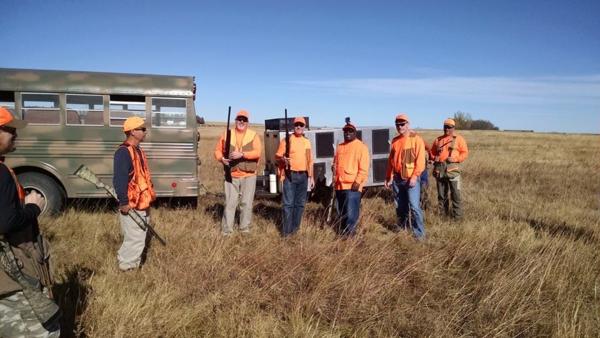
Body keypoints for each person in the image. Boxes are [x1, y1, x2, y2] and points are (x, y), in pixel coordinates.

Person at [0, 107, 61, 337]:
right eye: (9, 129)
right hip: (10, 273)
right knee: (43, 330)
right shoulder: (2, 172)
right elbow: (5, 222)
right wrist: (33, 207)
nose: (15, 134)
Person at [113, 116, 156, 271]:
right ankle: (127, 269)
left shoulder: (138, 151)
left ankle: (127, 263)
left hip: (142, 203)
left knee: (138, 236)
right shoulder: (123, 153)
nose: (145, 131)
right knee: (135, 238)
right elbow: (119, 180)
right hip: (131, 204)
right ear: (132, 131)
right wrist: (124, 202)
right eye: (142, 129)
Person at [214, 110, 262, 235]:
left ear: (247, 122)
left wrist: (242, 154)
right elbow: (217, 151)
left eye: (244, 119)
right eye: (239, 119)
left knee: (246, 204)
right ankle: (227, 231)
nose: (241, 121)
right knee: (230, 203)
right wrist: (221, 158)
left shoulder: (253, 135)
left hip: (249, 175)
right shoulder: (227, 134)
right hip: (231, 174)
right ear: (235, 121)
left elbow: (258, 152)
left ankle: (244, 229)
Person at [384, 113, 426, 239]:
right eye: (397, 124)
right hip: (397, 179)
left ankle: (419, 234)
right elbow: (391, 161)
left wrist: (414, 177)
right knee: (400, 207)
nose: (400, 126)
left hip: (410, 180)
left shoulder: (416, 139)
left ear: (408, 124)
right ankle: (403, 228)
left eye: (402, 124)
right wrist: (388, 176)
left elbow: (420, 162)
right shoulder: (395, 141)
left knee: (414, 207)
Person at [275, 117, 315, 236]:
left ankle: (295, 230)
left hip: (303, 176)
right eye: (297, 125)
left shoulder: (306, 141)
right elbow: (277, 156)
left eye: (301, 125)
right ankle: (287, 232)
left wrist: (311, 177)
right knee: (288, 204)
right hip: (290, 175)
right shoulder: (287, 140)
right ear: (293, 126)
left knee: (300, 204)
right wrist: (283, 159)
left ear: (304, 127)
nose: (299, 127)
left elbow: (309, 160)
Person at [332, 121, 369, 237]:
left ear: (355, 132)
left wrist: (357, 182)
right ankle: (343, 235)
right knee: (341, 213)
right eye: (345, 131)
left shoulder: (361, 147)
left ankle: (351, 237)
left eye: (350, 131)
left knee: (351, 215)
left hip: (352, 186)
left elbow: (364, 168)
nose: (347, 133)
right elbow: (335, 164)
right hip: (339, 185)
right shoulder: (340, 147)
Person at [430, 118, 469, 219]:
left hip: (453, 171)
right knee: (442, 195)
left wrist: (456, 158)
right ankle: (443, 216)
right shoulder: (438, 140)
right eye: (445, 127)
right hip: (439, 170)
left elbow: (465, 153)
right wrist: (434, 157)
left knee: (456, 195)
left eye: (449, 127)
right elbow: (431, 153)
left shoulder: (459, 139)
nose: (447, 129)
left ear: (453, 128)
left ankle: (457, 218)